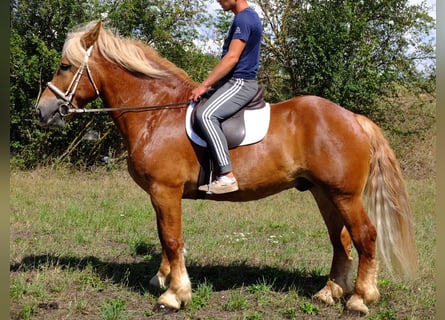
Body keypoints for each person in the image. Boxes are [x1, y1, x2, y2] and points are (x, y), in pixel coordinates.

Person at [189, 0, 262, 194]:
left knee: (205, 115)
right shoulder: (244, 18)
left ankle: (227, 176)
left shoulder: (244, 19)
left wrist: (204, 85)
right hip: (232, 82)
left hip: (240, 83)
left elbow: (232, 58)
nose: (218, 1)